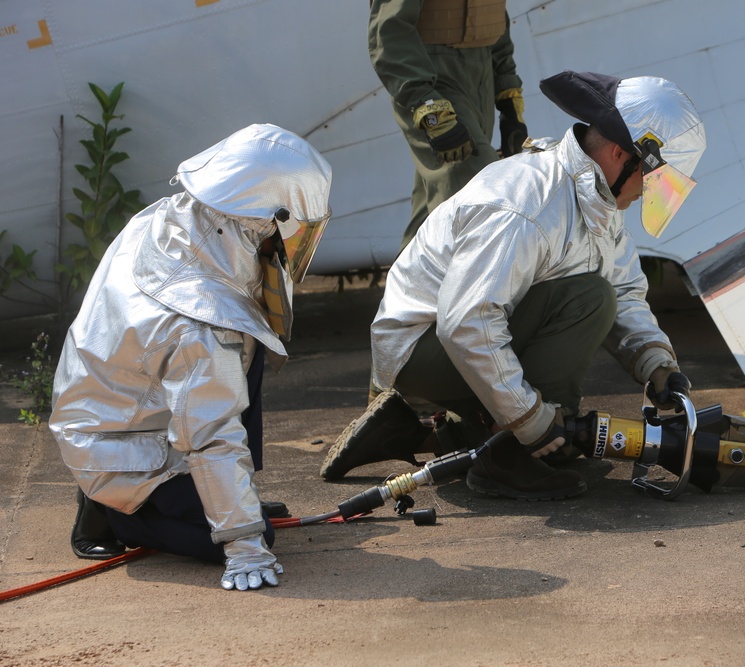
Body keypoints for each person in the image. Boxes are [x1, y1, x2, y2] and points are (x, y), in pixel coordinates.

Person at [320, 71, 706, 500]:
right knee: (589, 301)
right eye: (654, 180)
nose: (649, 194)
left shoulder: (595, 199)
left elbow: (626, 290)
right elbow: (467, 320)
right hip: (420, 346)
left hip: (453, 342)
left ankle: (410, 432)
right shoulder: (528, 206)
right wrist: (533, 423)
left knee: (599, 295)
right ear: (621, 154)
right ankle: (506, 459)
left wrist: (656, 362)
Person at [49, 124, 333, 591]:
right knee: (242, 532)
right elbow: (212, 432)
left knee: (247, 345)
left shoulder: (173, 216)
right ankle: (111, 512)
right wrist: (244, 545)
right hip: (116, 444)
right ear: (262, 218)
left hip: (116, 401)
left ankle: (209, 495)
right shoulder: (200, 319)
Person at [369, 0, 529, 249]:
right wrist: (426, 104)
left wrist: (507, 95)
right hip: (430, 77)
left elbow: (491, 14)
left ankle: (408, 287)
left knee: (440, 205)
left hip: (480, 73)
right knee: (480, 198)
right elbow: (390, 31)